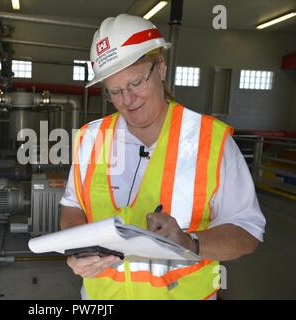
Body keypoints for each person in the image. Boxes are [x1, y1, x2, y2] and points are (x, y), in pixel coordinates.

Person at [59, 14, 266, 300]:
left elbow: (247, 232)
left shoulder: (211, 141)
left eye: (136, 83)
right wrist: (78, 247)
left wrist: (190, 243)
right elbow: (73, 206)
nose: (128, 100)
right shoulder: (91, 139)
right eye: (115, 92)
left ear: (161, 69)